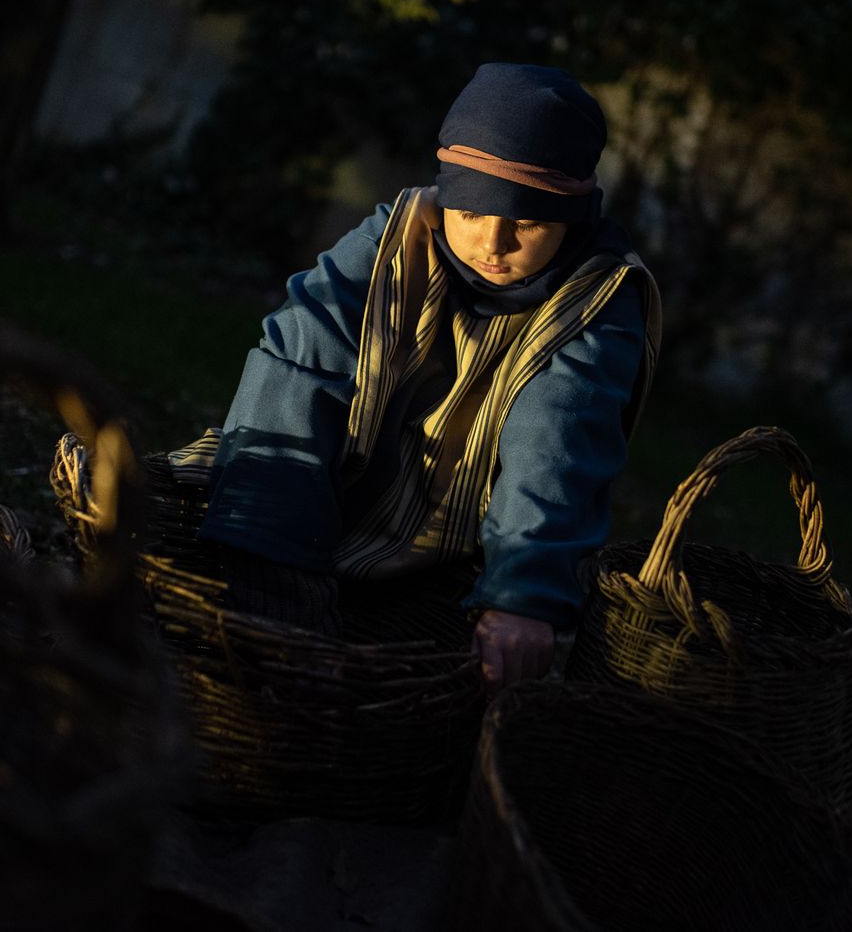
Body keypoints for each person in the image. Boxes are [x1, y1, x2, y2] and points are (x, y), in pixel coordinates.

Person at [182, 63, 661, 697]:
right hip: (340, 491)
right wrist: (270, 556)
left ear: (572, 217)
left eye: (530, 223)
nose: (494, 241)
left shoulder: (601, 297)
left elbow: (559, 442)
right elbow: (298, 362)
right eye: (471, 211)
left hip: (464, 548)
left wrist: (521, 592)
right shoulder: (392, 241)